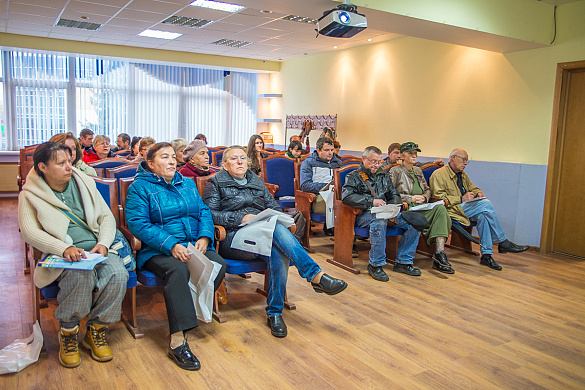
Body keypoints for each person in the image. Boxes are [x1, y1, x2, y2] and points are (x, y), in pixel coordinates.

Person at [203, 146, 347, 338]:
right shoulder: (216, 182)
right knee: (276, 233)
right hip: (233, 239)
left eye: (243, 158)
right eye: (234, 159)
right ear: (224, 164)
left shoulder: (256, 181)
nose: (239, 162)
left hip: (262, 233)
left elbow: (273, 207)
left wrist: (279, 217)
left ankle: (275, 313)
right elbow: (209, 214)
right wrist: (240, 218)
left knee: (277, 241)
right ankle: (315, 277)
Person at [18, 142, 128, 368]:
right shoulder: (29, 194)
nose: (69, 167)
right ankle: (68, 331)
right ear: (43, 167)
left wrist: (104, 244)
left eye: (69, 161)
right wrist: (63, 248)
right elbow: (30, 232)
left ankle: (96, 330)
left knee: (118, 274)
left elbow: (107, 218)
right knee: (80, 275)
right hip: (62, 251)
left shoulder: (84, 182)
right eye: (61, 163)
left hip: (95, 247)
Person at [125, 142, 227, 371]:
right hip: (157, 248)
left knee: (219, 264)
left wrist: (204, 237)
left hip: (192, 244)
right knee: (178, 269)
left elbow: (202, 211)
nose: (171, 161)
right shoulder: (139, 187)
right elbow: (138, 223)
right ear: (150, 164)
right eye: (164, 157)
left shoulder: (187, 183)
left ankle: (187, 310)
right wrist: (170, 245)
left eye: (173, 156)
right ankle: (177, 340)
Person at [430, 148, 530, 270]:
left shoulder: (463, 175)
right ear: (453, 158)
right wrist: (461, 198)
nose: (466, 163)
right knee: (486, 205)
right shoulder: (438, 174)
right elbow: (439, 199)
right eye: (464, 160)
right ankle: (502, 241)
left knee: (483, 215)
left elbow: (474, 188)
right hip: (450, 210)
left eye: (467, 161)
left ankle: (487, 255)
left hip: (463, 209)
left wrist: (478, 194)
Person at [342, 146, 422, 281]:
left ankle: (404, 261)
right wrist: (371, 201)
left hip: (386, 212)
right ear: (364, 159)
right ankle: (375, 265)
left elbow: (394, 194)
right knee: (379, 220)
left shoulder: (384, 176)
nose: (376, 165)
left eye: (379, 162)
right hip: (364, 214)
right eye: (373, 161)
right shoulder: (354, 176)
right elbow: (347, 197)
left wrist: (394, 205)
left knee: (415, 221)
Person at [389, 142, 454, 274]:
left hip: (422, 206)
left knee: (441, 209)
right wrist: (410, 199)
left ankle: (440, 252)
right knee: (437, 213)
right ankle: (433, 256)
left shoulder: (418, 171)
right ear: (402, 155)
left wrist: (425, 197)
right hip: (407, 209)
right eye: (410, 153)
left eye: (415, 153)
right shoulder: (395, 171)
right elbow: (390, 193)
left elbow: (427, 189)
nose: (414, 156)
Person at [299, 136, 342, 236]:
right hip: (317, 198)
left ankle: (344, 239)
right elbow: (305, 185)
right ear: (318, 150)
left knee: (350, 201)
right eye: (326, 150)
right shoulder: (308, 163)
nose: (330, 153)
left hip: (335, 196)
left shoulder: (338, 163)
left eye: (332, 150)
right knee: (342, 205)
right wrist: (327, 187)